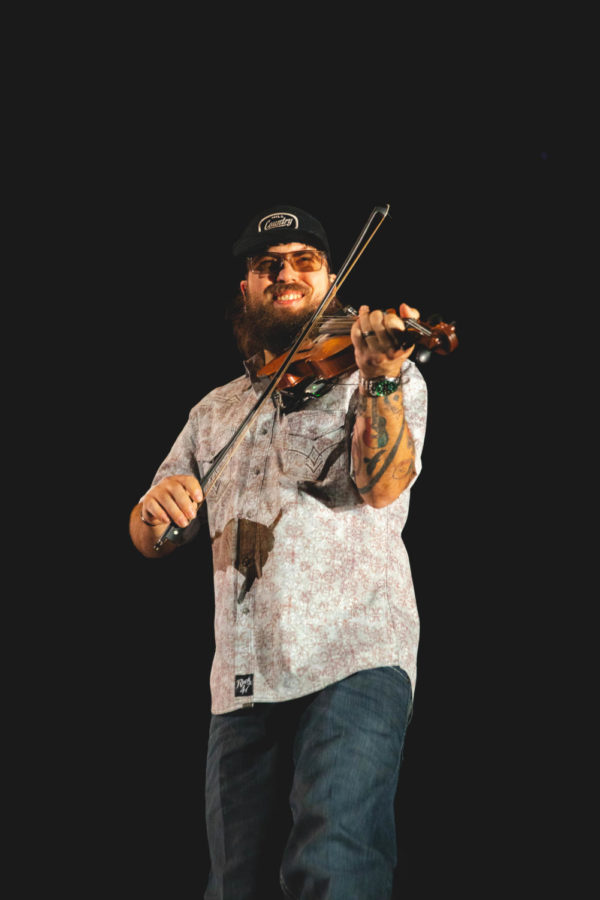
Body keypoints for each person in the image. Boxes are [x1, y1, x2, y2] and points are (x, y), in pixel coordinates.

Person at [129, 205, 428, 900]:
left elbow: (382, 487)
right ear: (247, 289)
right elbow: (151, 531)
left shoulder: (378, 373)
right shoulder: (213, 411)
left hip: (354, 654)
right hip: (243, 675)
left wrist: (380, 376)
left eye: (304, 261)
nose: (285, 272)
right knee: (238, 885)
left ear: (330, 283)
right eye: (268, 265)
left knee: (334, 861)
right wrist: (153, 512)